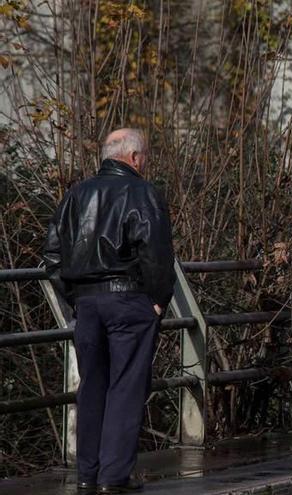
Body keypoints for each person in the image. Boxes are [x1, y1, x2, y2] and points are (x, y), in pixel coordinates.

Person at [43, 128, 174, 493]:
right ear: (133, 157)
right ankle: (113, 477)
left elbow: (52, 255)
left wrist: (74, 296)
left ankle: (88, 473)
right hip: (129, 299)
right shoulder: (143, 193)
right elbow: (157, 254)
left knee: (93, 386)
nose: (144, 162)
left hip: (87, 302)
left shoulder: (76, 194)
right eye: (144, 156)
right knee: (126, 387)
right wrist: (158, 299)